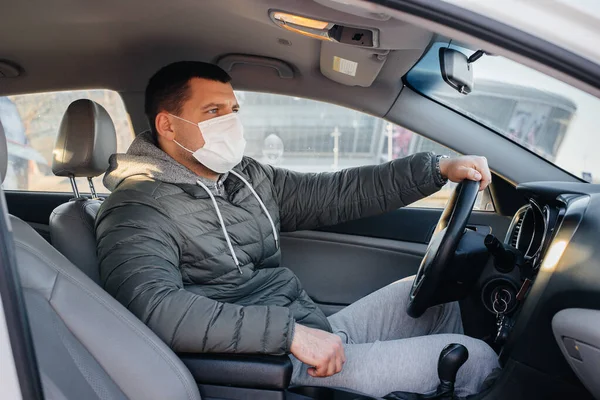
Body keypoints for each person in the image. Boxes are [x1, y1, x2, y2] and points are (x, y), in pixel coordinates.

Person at [96, 61, 498, 398]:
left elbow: (333, 192)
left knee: (437, 302)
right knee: (474, 359)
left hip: (303, 329)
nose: (231, 122)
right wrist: (289, 335)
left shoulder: (243, 176)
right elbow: (156, 309)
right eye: (214, 112)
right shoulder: (136, 209)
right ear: (168, 125)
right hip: (269, 363)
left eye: (234, 110)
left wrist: (436, 169)